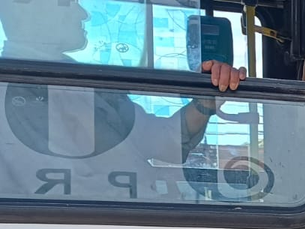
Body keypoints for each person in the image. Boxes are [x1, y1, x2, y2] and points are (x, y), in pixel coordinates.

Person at [0, 0, 245, 201]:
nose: (83, 14)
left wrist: (205, 100)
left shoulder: (89, 81)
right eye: (69, 3)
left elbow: (162, 141)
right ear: (30, 10)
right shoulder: (10, 91)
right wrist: (164, 199)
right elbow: (57, 190)